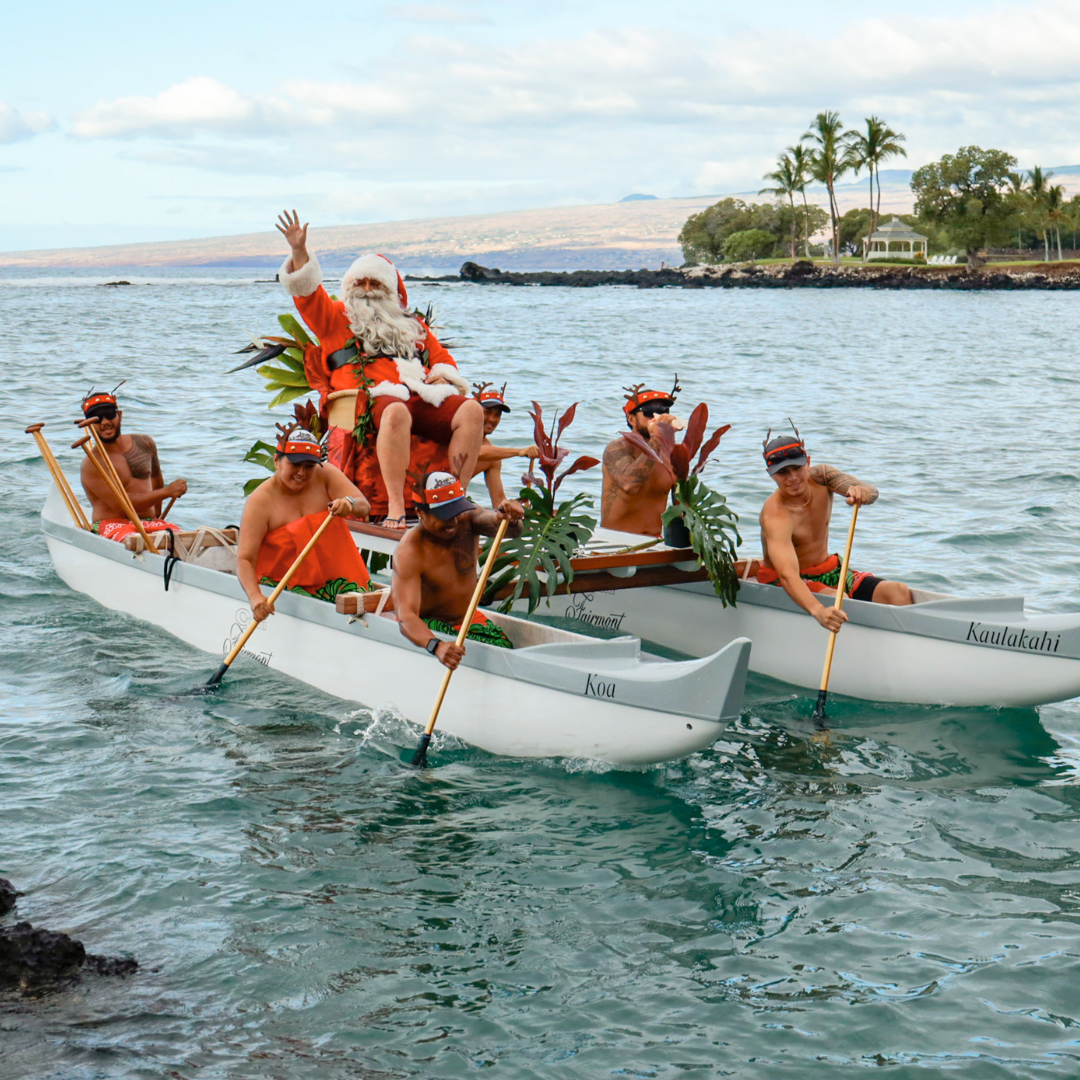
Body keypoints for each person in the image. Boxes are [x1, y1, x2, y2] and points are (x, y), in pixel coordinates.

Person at [275, 209, 484, 528]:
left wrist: (442, 375)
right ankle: (396, 507)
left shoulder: (412, 325)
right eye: (360, 282)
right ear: (349, 286)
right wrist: (299, 251)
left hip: (417, 397)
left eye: (375, 283)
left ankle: (454, 498)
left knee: (471, 410)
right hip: (362, 401)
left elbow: (443, 359)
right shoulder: (334, 317)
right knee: (396, 410)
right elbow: (307, 293)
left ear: (390, 291)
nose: (367, 289)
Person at [757, 427, 913, 631]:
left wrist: (862, 493)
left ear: (808, 462)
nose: (792, 477)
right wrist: (818, 611)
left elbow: (871, 491)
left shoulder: (822, 476)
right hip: (787, 581)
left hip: (831, 571)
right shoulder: (775, 514)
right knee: (840, 601)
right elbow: (788, 575)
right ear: (770, 475)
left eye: (797, 468)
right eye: (783, 472)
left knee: (898, 592)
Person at [237, 427, 373, 620]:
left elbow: (363, 505)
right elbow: (245, 559)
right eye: (295, 464)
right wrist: (255, 597)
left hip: (335, 582)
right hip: (286, 586)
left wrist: (348, 504)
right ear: (276, 461)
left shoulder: (325, 475)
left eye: (309, 466)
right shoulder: (260, 501)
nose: (302, 472)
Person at [392, 472, 525, 669]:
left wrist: (509, 517)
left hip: (469, 620)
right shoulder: (410, 551)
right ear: (420, 512)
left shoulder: (468, 518)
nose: (453, 521)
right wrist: (436, 646)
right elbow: (406, 616)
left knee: (506, 652)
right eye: (444, 515)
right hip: (430, 627)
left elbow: (511, 530)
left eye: (456, 511)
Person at [78, 387, 187, 542]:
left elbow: (156, 482)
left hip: (149, 523)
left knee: (184, 541)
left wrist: (156, 518)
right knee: (137, 542)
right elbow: (122, 505)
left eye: (110, 415)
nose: (105, 422)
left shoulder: (144, 443)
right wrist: (168, 492)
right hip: (112, 525)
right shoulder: (92, 463)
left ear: (120, 415)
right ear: (88, 424)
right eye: (96, 419)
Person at [601, 382, 681, 536]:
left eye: (663, 411)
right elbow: (629, 485)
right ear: (631, 419)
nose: (657, 417)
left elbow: (682, 508)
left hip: (654, 541)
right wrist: (657, 438)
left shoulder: (671, 454)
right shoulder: (617, 448)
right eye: (649, 412)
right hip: (615, 540)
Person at [472, 383, 538, 506]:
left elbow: (499, 502)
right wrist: (519, 452)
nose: (492, 419)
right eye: (487, 412)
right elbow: (475, 451)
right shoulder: (457, 432)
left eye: (497, 415)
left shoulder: (493, 457)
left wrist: (518, 509)